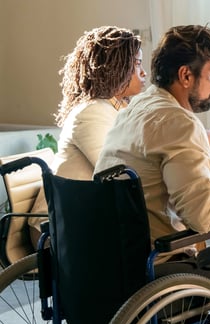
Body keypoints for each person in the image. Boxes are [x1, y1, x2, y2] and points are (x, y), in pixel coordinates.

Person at [94, 25, 210, 287]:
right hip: (155, 267)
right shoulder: (181, 122)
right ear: (186, 75)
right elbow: (204, 217)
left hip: (108, 261)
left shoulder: (138, 106)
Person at [28, 26, 146, 239]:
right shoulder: (91, 112)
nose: (143, 72)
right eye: (137, 64)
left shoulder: (117, 110)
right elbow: (115, 174)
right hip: (55, 231)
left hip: (83, 217)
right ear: (116, 67)